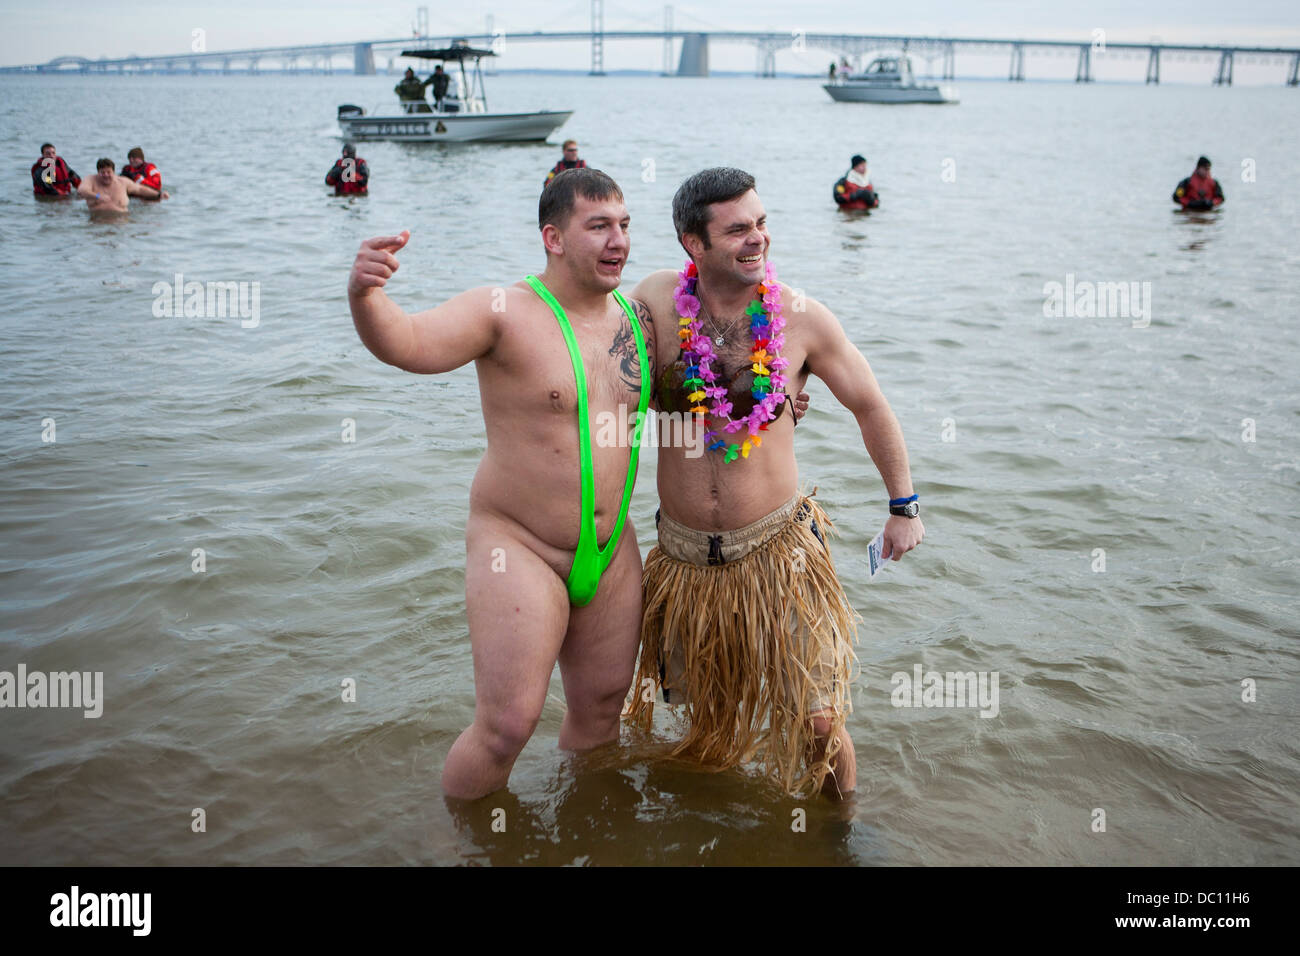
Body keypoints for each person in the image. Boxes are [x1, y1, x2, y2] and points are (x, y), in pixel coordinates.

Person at [347, 168, 654, 801]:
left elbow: (709, 383)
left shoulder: (638, 320)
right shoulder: (504, 311)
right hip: (519, 544)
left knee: (601, 713)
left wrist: (784, 390)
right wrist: (366, 298)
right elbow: (408, 343)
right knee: (506, 726)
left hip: (610, 544)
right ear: (553, 237)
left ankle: (588, 830)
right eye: (597, 226)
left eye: (623, 225)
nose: (617, 241)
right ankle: (460, 845)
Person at [624, 167, 923, 799]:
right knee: (706, 726)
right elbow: (602, 381)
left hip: (778, 554)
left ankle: (842, 840)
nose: (757, 239)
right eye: (737, 230)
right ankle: (718, 834)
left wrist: (903, 506)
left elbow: (870, 405)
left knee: (817, 722)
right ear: (692, 243)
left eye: (761, 223)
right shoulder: (651, 302)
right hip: (683, 561)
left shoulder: (802, 319)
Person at [76, 157, 164, 212]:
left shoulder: (122, 182)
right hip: (97, 224)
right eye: (102, 172)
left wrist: (159, 194)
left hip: (120, 225)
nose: (106, 175)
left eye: (108, 172)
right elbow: (81, 191)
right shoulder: (91, 179)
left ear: (113, 172)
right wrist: (98, 196)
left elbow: (140, 189)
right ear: (98, 172)